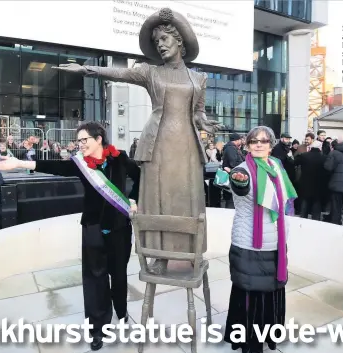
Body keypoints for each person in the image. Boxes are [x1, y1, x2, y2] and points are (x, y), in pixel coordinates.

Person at [52, 8, 221, 275]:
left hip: (187, 145)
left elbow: (197, 112)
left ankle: (193, 250)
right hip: (159, 143)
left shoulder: (199, 79)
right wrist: (86, 69)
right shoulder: (150, 73)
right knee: (157, 199)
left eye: (165, 39)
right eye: (157, 42)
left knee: (188, 197)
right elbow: (118, 74)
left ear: (179, 41)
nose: (160, 45)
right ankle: (159, 254)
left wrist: (204, 121)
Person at [0, 122, 140, 351]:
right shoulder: (81, 164)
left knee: (118, 275)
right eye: (78, 141)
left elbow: (139, 175)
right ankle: (97, 329)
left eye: (84, 140)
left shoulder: (120, 158)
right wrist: (20, 163)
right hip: (93, 227)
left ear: (99, 139)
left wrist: (134, 199)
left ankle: (121, 311)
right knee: (94, 279)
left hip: (119, 227)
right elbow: (56, 166)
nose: (80, 145)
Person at [224, 126, 297, 353]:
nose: (258, 144)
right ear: (246, 145)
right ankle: (251, 345)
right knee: (250, 293)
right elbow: (240, 187)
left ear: (271, 144)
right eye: (254, 141)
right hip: (249, 242)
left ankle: (268, 335)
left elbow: (285, 201)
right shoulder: (241, 170)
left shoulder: (277, 167)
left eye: (264, 141)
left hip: (275, 239)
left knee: (270, 291)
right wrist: (239, 181)